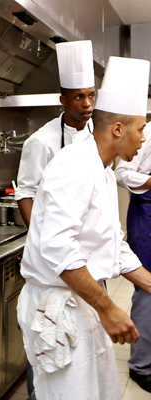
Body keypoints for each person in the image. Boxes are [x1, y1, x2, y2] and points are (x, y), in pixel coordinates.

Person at [17, 55, 151, 400]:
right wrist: (109, 309)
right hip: (60, 308)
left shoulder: (103, 169)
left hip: (85, 302)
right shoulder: (73, 166)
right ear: (118, 129)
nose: (143, 139)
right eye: (141, 129)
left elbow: (114, 243)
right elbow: (59, 249)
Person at [16, 40, 96, 227]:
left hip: (90, 232)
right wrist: (39, 239)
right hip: (56, 231)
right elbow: (25, 193)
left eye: (91, 95)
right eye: (79, 97)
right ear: (63, 100)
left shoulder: (95, 131)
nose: (87, 103)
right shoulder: (41, 141)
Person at [115, 126, 151, 392]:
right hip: (147, 217)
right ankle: (142, 366)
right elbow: (121, 173)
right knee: (148, 292)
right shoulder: (147, 132)